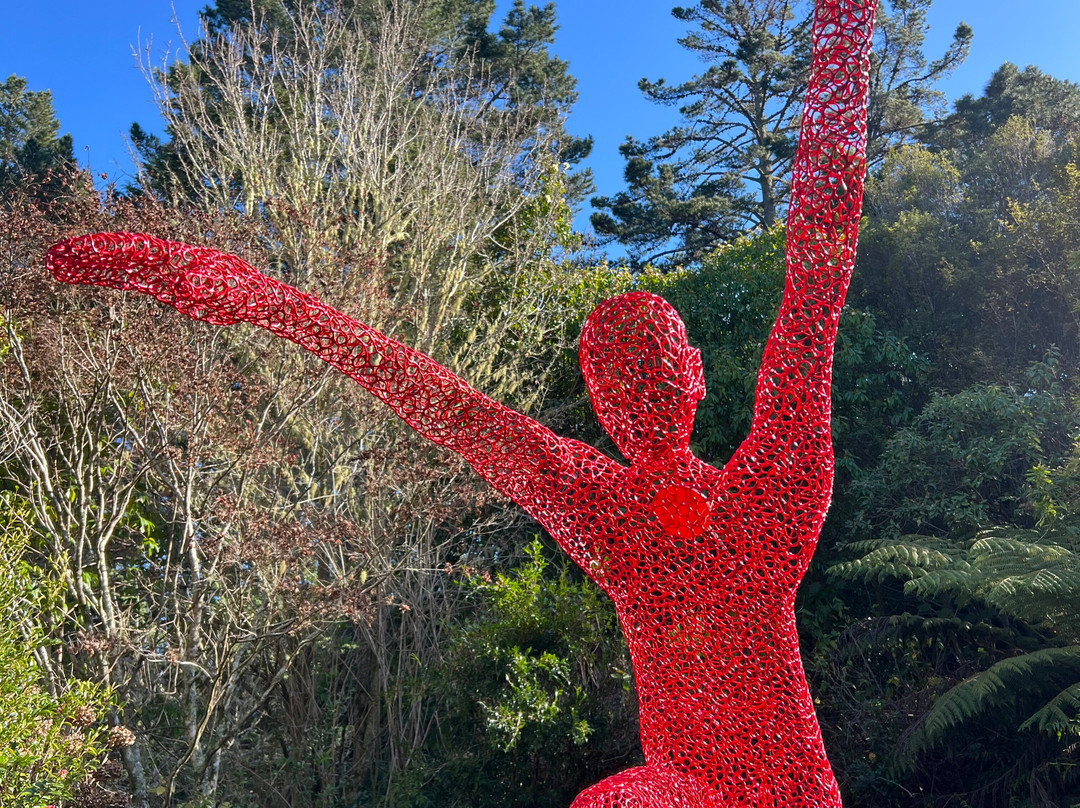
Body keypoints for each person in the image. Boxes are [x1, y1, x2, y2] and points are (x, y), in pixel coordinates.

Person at [47, 2, 874, 804]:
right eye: (621, 380)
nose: (637, 394)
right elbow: (430, 396)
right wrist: (248, 296)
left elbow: (818, 262)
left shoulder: (726, 496)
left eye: (643, 370)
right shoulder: (671, 497)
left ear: (687, 373)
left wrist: (845, 29)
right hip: (690, 791)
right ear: (624, 396)